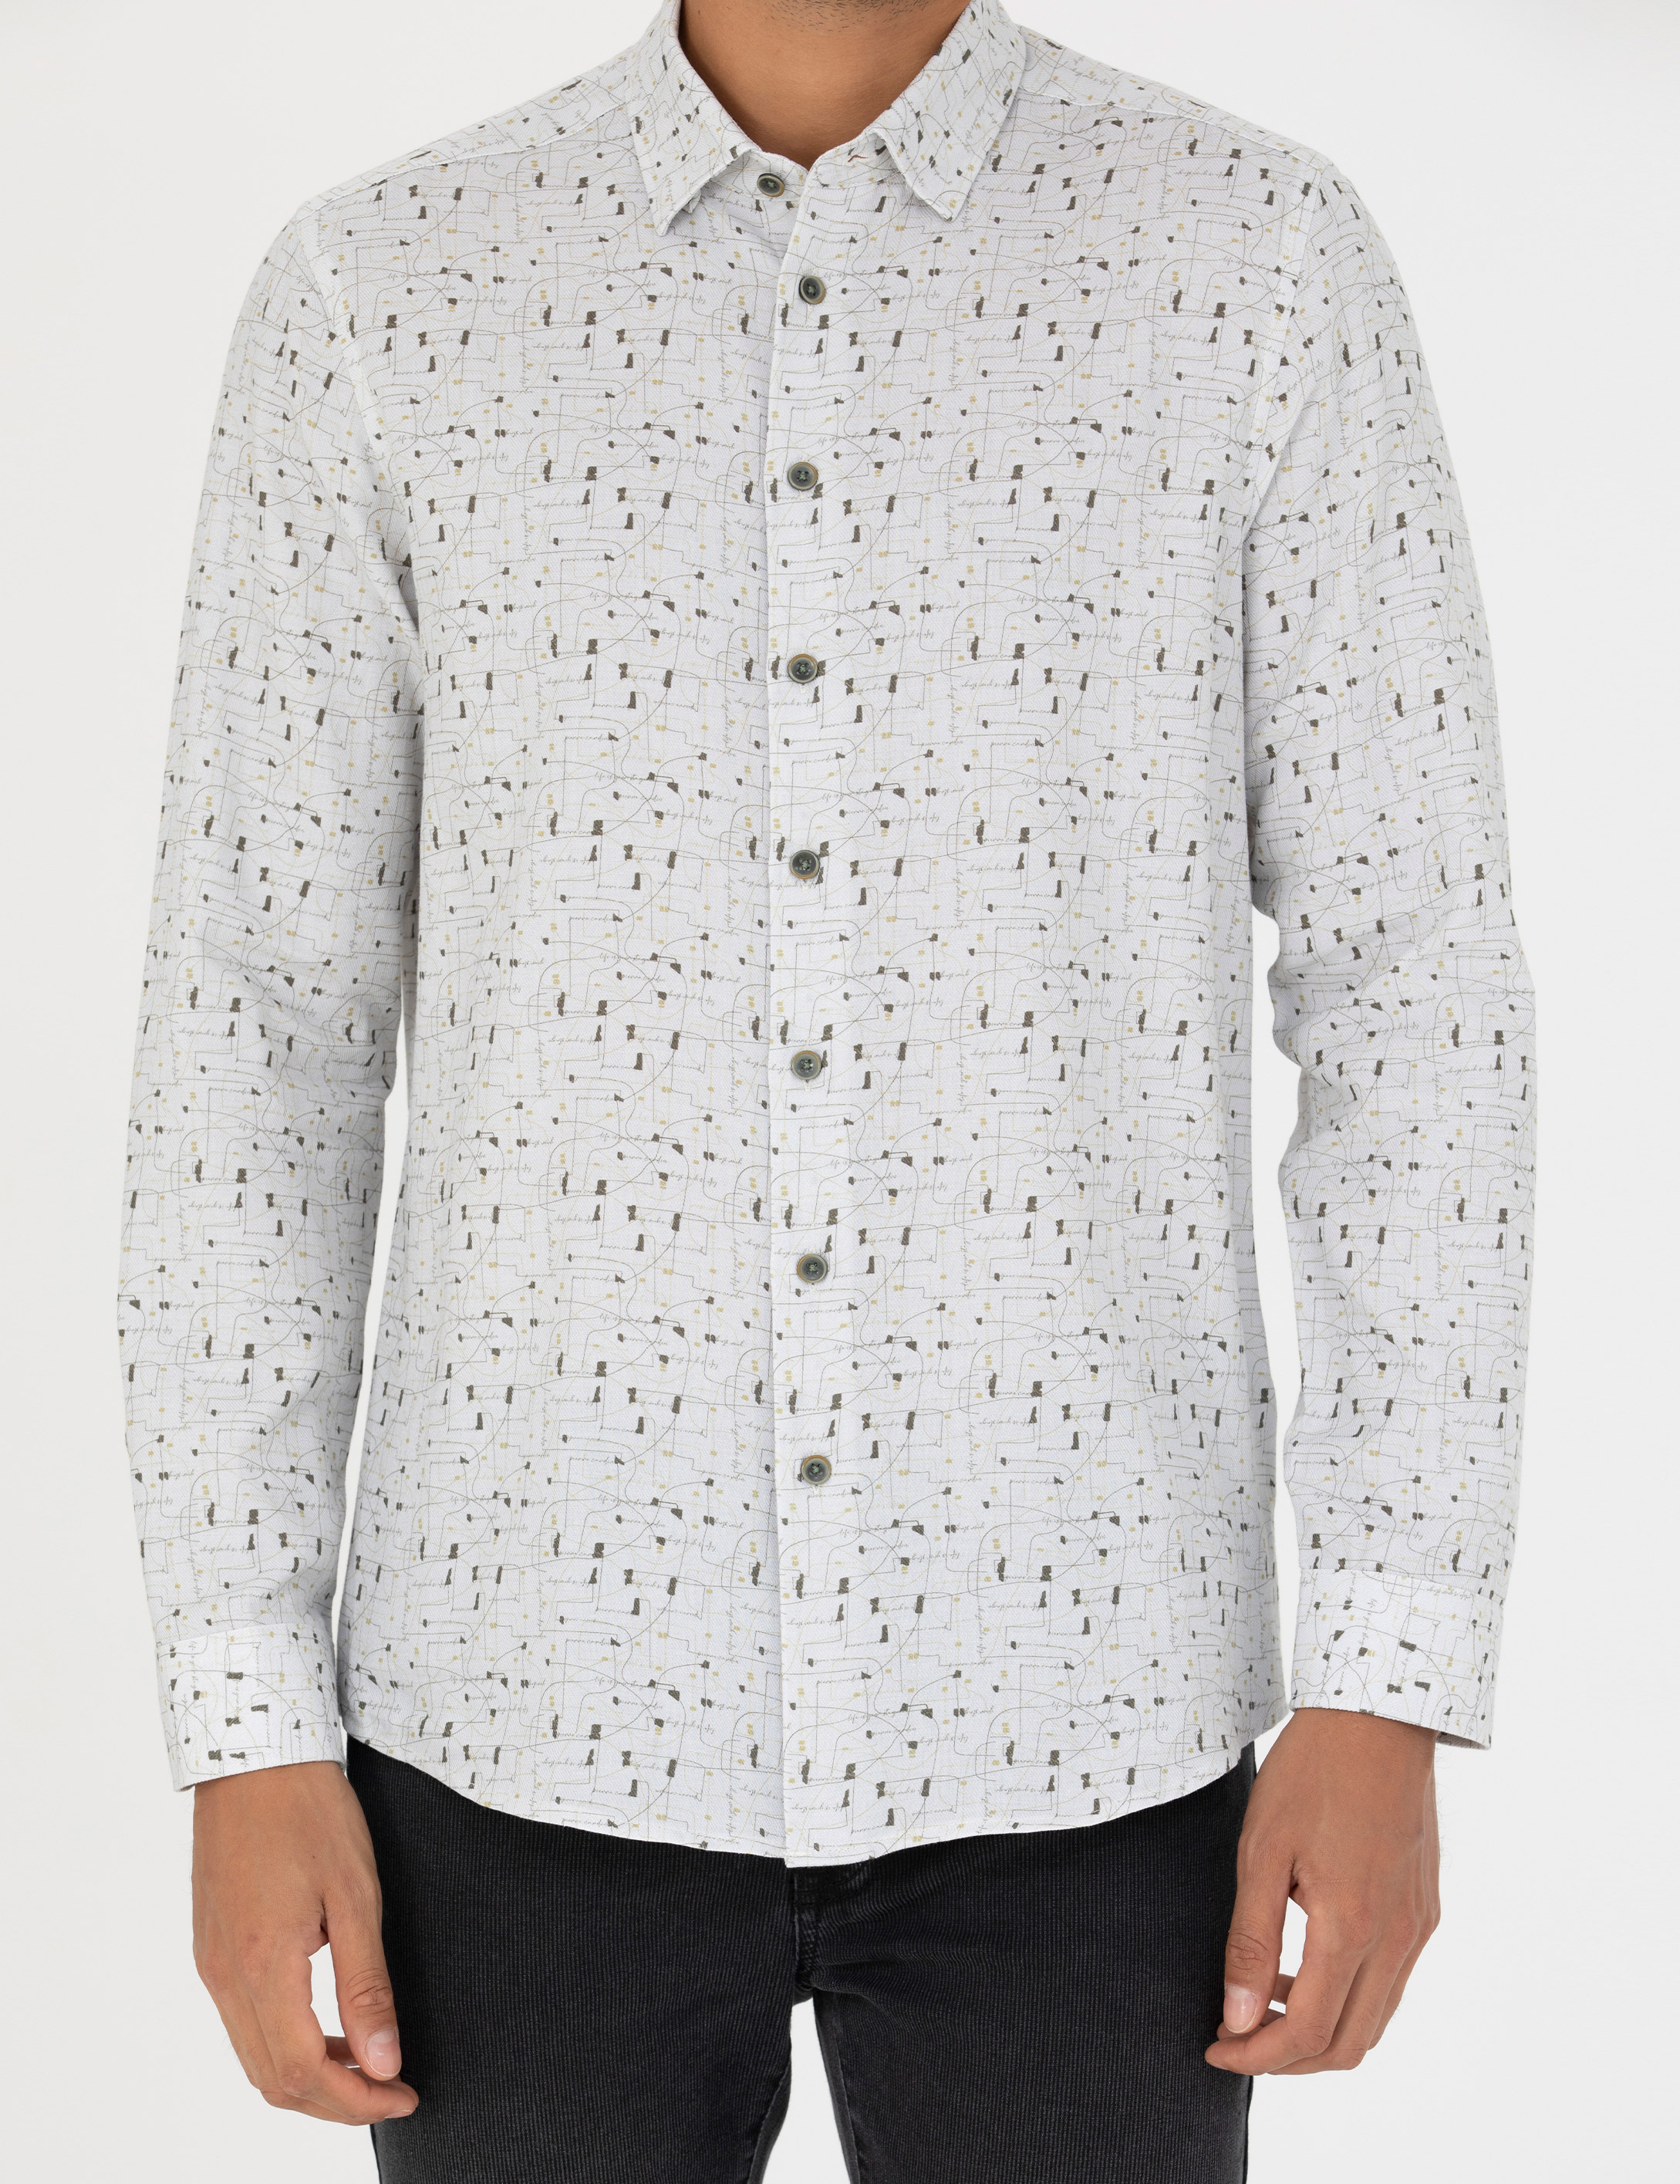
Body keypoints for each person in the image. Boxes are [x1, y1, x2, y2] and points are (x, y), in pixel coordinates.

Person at [117, 1, 1535, 2176]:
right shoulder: (383, 293)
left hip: (1093, 1734)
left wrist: (1384, 1677)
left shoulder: (1253, 260)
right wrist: (243, 1722)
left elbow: (1412, 989)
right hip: (512, 1719)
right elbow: (256, 1039)